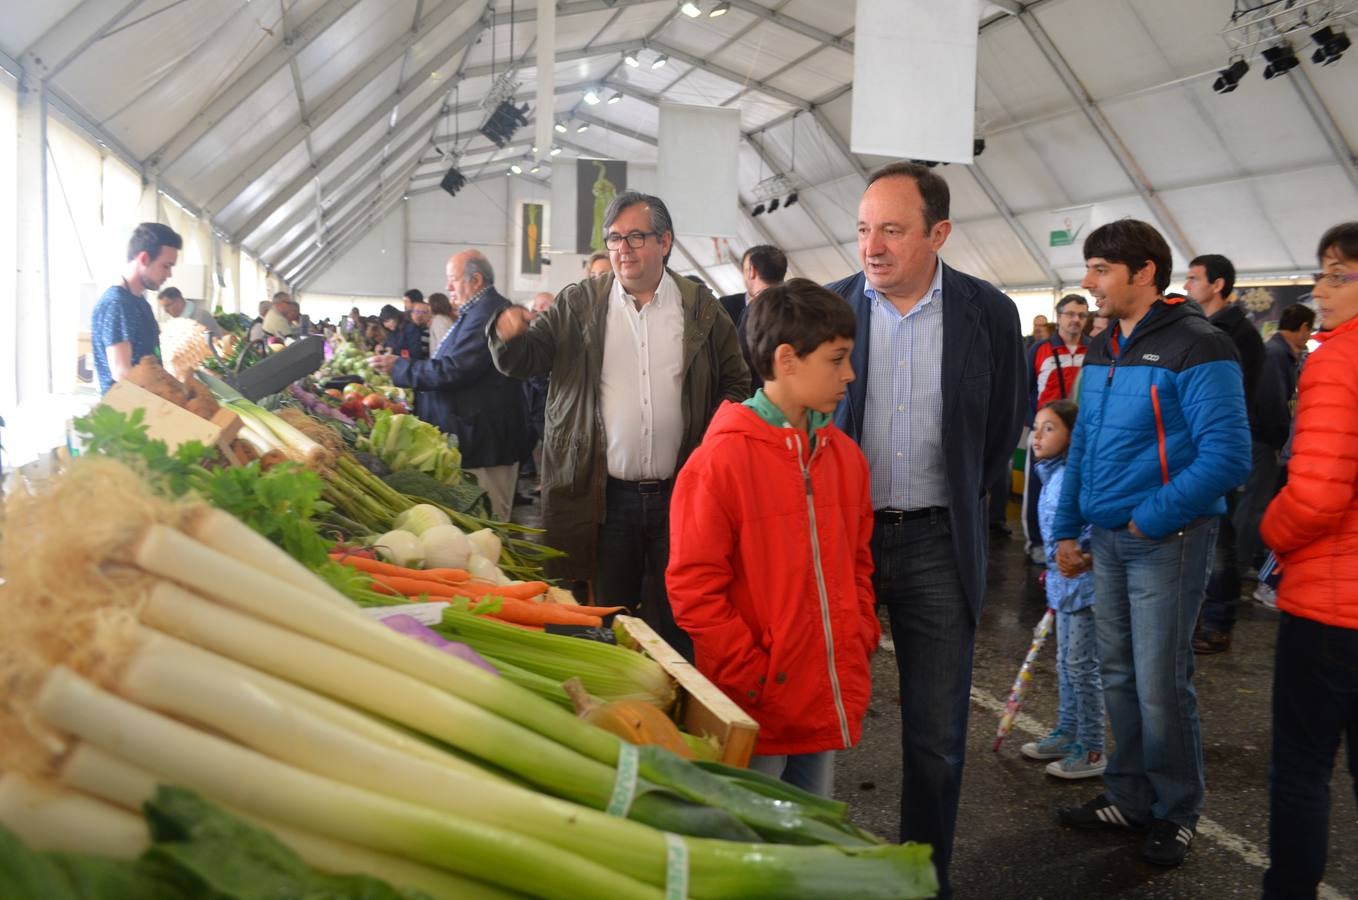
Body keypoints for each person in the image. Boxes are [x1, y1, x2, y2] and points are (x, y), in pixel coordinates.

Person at [830, 161, 1025, 898]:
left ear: (938, 233)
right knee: (815, 718)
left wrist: (964, 499)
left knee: (937, 740)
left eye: (891, 229)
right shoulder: (832, 310)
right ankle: (811, 863)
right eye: (863, 229)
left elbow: (1002, 423)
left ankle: (923, 880)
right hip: (845, 545)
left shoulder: (988, 314)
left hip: (941, 542)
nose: (871, 246)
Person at [1052, 219, 1251, 867]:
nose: (1088, 282)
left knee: (1161, 684)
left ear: (1143, 272)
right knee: (1118, 674)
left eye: (1101, 269)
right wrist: (1066, 529)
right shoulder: (1108, 346)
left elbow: (1228, 456)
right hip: (1107, 540)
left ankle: (1176, 810)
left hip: (1167, 539)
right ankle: (1130, 797)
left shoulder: (1201, 346)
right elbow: (1084, 443)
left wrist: (1151, 517)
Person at [489, 191, 749, 655]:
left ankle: (682, 711)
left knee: (679, 615)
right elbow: (525, 359)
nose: (622, 248)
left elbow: (736, 381)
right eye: (614, 238)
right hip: (605, 497)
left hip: (682, 494)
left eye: (635, 236)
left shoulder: (700, 307)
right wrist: (507, 333)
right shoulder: (578, 305)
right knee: (610, 617)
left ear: (665, 242)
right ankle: (623, 711)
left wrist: (711, 446)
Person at [667, 278, 877, 796]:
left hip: (820, 687)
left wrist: (859, 634)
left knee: (813, 824)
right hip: (756, 699)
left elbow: (858, 564)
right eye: (837, 359)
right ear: (787, 360)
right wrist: (753, 673)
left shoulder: (845, 458)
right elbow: (695, 589)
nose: (850, 374)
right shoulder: (720, 462)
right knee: (759, 833)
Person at [1258, 222, 1358, 900]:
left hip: (1331, 607)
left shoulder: (1336, 360)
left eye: (1334, 276)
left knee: (1301, 767)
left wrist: (1270, 529)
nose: (1317, 290)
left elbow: (1318, 495)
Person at [372, 251, 531, 522]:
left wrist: (399, 367)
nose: (448, 287)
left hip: (485, 442)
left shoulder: (488, 314)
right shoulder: (476, 312)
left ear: (476, 279)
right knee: (479, 526)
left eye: (453, 279)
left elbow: (455, 369)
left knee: (489, 525)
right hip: (475, 439)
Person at [1020, 399, 1105, 779]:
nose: (1037, 435)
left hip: (1085, 588)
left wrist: (1083, 559)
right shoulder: (1053, 474)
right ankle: (1068, 732)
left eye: (1049, 428)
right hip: (1064, 587)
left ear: (1072, 436)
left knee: (1082, 668)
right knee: (1066, 665)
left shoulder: (1079, 476)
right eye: (1036, 427)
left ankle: (1091, 749)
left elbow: (1095, 530)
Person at [1185, 253, 1265, 655]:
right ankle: (1203, 616)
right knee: (1206, 534)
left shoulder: (1235, 334)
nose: (1187, 286)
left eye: (1194, 279)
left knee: (1220, 538)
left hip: (1217, 448)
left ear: (1217, 285)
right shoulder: (1202, 327)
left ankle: (1218, 622)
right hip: (1196, 448)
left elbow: (1233, 400)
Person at [1236, 303, 1315, 576]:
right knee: (1254, 505)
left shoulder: (1283, 354)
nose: (1309, 336)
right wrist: (1277, 443)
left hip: (1267, 441)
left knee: (1258, 504)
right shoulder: (1276, 354)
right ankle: (1242, 563)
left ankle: (1246, 560)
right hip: (1264, 442)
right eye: (1309, 329)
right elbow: (1272, 404)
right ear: (1303, 327)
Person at [1021, 294, 1089, 556]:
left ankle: (1076, 541)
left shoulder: (1094, 348)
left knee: (1075, 486)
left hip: (1080, 434)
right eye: (1070, 314)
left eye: (1082, 315)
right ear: (1058, 317)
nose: (1075, 320)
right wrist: (1032, 423)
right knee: (1037, 487)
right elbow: (1022, 389)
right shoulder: (1039, 350)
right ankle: (1036, 542)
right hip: (1045, 432)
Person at [92, 222, 182, 394]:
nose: (169, 274)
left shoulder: (140, 303)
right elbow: (122, 374)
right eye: (166, 266)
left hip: (148, 406)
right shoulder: (117, 304)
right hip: (127, 414)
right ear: (144, 259)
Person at [719, 244, 787, 393]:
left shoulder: (753, 310)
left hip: (754, 400)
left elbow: (737, 364)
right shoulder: (800, 307)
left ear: (751, 271)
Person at [156, 286, 223, 338]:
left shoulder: (201, 317)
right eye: (164, 307)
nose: (165, 311)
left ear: (178, 301)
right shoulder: (174, 321)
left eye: (167, 305)